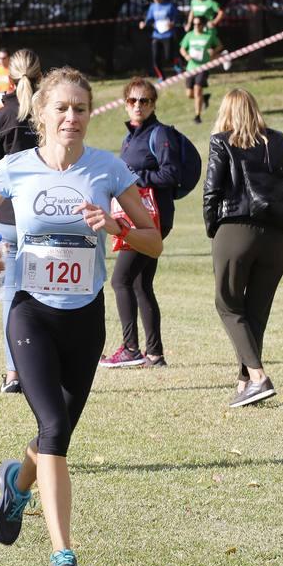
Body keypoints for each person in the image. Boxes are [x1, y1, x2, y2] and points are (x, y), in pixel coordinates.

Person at [0, 67, 161, 566]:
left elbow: (153, 241)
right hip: (29, 311)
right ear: (41, 114)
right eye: (61, 108)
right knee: (52, 427)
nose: (70, 117)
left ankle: (16, 482)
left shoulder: (109, 169)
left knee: (57, 434)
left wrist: (116, 226)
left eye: (79, 109)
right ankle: (62, 556)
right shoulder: (15, 169)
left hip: (85, 318)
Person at [202, 88, 283, 408]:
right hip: (278, 237)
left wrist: (213, 229)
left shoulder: (220, 141)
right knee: (256, 311)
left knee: (227, 304)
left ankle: (258, 377)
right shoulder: (278, 140)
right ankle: (246, 383)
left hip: (237, 230)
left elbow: (211, 192)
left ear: (226, 112)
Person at [101, 78, 180, 369]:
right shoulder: (131, 137)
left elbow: (171, 174)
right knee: (140, 284)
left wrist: (136, 178)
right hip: (139, 219)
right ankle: (155, 354)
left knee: (120, 280)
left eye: (144, 101)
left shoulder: (159, 134)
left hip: (154, 220)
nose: (138, 105)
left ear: (153, 104)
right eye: (133, 101)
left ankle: (130, 348)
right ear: (125, 103)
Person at [0, 48, 42, 394]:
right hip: (47, 216)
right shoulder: (51, 115)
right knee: (48, 295)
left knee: (12, 297)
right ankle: (45, 370)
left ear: (10, 79)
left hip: (6, 219)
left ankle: (14, 373)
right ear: (41, 77)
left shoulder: (0, 117)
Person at [180, 17, 223, 124]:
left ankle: (197, 116)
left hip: (203, 68)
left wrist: (213, 52)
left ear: (203, 25)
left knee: (197, 90)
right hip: (191, 68)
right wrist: (186, 56)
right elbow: (182, 48)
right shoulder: (189, 35)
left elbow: (219, 46)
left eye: (198, 24)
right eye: (194, 24)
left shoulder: (208, 36)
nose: (196, 26)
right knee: (189, 94)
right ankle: (204, 98)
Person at [139, 0, 180, 81]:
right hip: (156, 35)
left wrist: (173, 23)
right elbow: (149, 19)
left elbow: (177, 17)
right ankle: (161, 76)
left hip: (168, 34)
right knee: (155, 58)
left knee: (168, 57)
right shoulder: (152, 7)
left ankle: (177, 65)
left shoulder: (169, 6)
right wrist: (143, 24)